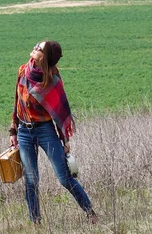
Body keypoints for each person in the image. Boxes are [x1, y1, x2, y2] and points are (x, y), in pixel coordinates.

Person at [9, 40, 97, 224]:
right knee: (31, 181)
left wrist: (64, 141)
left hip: (46, 131)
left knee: (64, 178)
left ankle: (91, 214)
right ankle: (35, 223)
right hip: (24, 131)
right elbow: (16, 102)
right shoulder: (23, 71)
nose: (34, 49)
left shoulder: (53, 81)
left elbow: (60, 113)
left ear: (46, 57)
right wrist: (13, 131)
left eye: (38, 48)